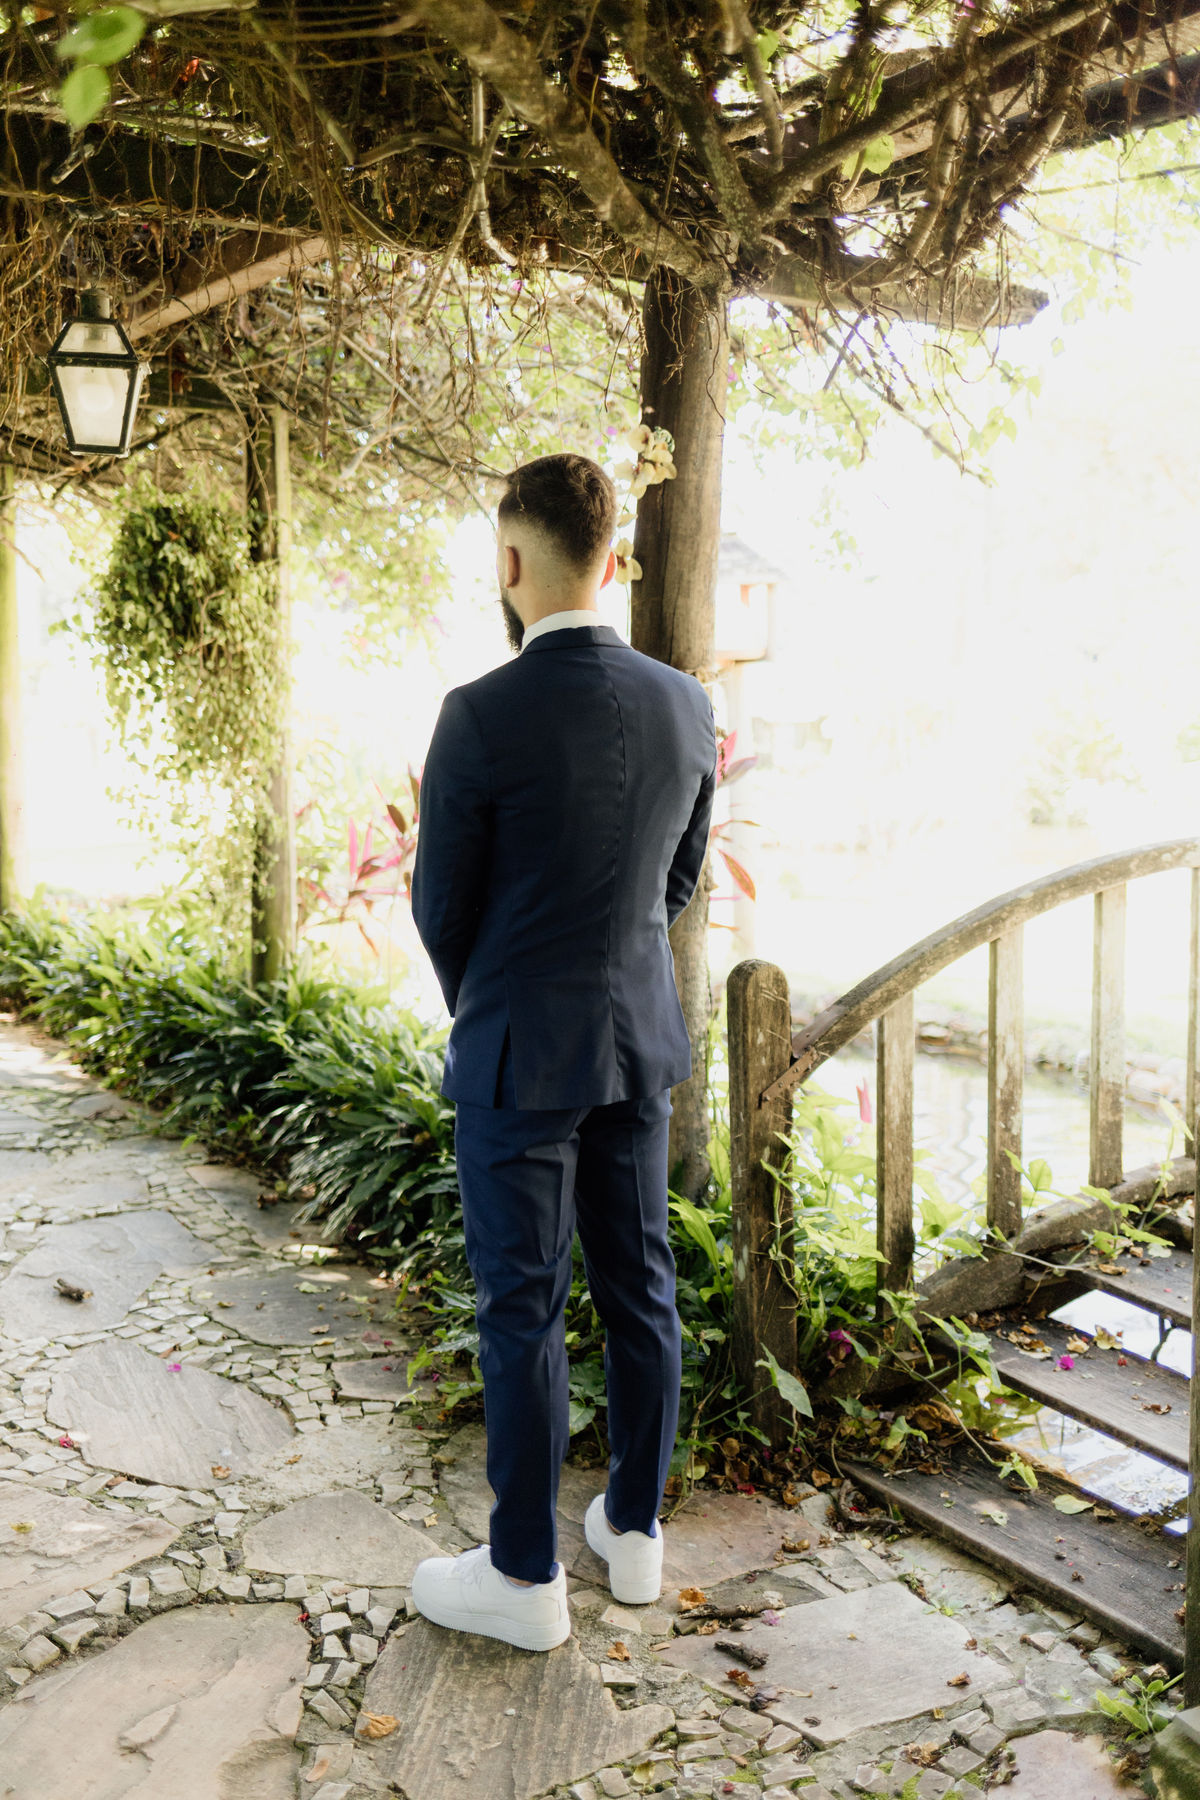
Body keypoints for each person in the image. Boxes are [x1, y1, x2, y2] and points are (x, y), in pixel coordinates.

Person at [409, 452, 716, 1651]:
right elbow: (678, 882)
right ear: (613, 560)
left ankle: (525, 1576)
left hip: (519, 1058)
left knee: (523, 1311)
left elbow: (442, 907)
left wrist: (490, 1004)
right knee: (642, 1288)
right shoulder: (686, 705)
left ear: (510, 560)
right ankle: (634, 1534)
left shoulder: (479, 715)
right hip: (636, 1046)